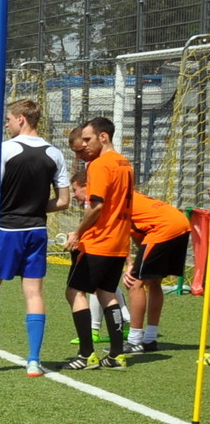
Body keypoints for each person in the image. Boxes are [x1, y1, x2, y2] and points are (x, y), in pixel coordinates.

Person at [0, 98, 71, 376]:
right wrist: (36, 208)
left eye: (8, 119)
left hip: (5, 230)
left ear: (21, 119)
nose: (6, 125)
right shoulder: (55, 153)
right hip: (37, 230)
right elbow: (63, 201)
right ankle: (33, 361)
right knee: (34, 294)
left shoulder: (5, 150)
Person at [63, 117, 133, 370]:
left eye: (88, 139)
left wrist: (77, 233)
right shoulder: (124, 163)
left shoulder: (100, 164)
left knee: (74, 292)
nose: (84, 144)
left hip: (99, 241)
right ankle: (116, 355)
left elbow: (97, 206)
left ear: (103, 137)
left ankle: (86, 355)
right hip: (119, 241)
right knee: (106, 293)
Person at [122, 190, 190, 353]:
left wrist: (130, 265)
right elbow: (138, 236)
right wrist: (139, 263)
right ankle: (150, 339)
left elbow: (118, 236)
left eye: (76, 190)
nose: (75, 196)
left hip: (164, 228)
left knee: (134, 282)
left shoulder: (110, 200)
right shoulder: (128, 194)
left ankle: (134, 340)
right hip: (180, 222)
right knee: (153, 281)